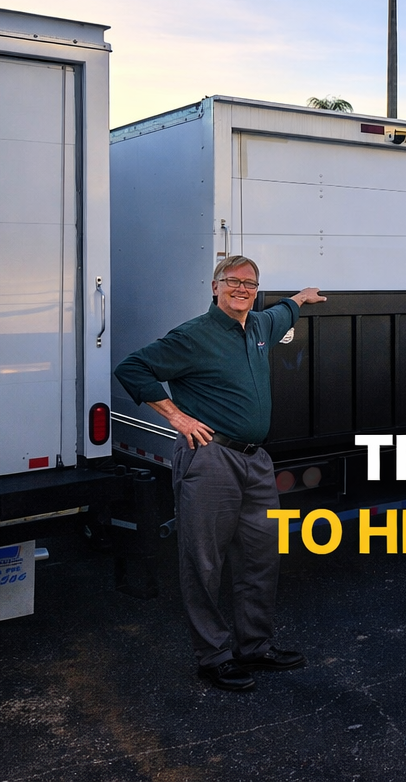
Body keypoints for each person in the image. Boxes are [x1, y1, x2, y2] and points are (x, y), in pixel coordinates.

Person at [115, 256, 326, 692]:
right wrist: (177, 417)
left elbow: (284, 308)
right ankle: (213, 657)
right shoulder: (194, 336)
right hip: (211, 458)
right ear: (214, 287)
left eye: (249, 284)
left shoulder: (261, 327)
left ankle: (255, 646)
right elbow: (132, 368)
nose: (241, 289)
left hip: (256, 461)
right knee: (204, 561)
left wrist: (301, 298)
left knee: (260, 557)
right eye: (232, 282)